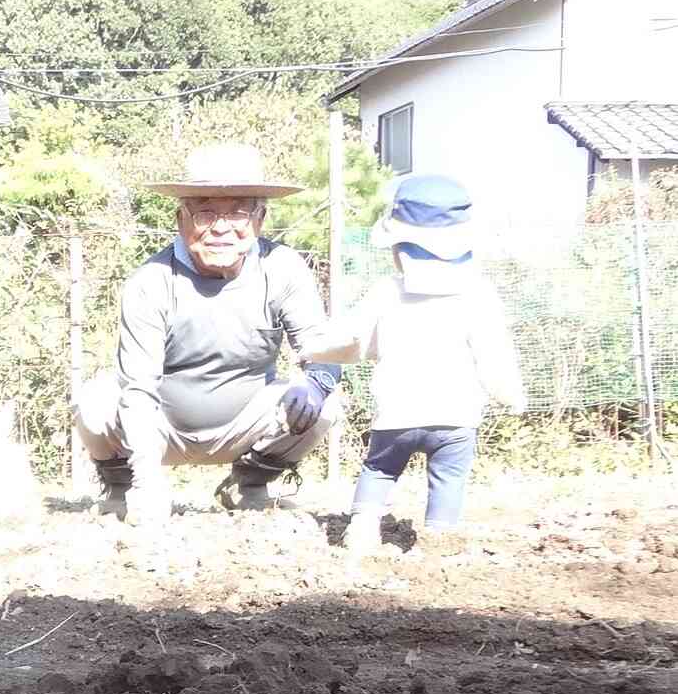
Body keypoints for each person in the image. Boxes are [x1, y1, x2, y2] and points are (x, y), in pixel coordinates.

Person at [74, 143, 343, 523]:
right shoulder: (150, 281)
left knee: (326, 404)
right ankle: (121, 488)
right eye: (205, 213)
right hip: (160, 426)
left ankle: (250, 484)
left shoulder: (284, 268)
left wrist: (315, 385)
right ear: (181, 220)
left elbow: (324, 349)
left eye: (238, 212)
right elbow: (138, 386)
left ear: (260, 219)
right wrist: (148, 483)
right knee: (95, 403)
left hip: (245, 422)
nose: (221, 227)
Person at [303, 174, 525, 555]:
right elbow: (494, 358)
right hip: (457, 418)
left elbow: (352, 340)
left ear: (398, 249)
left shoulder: (385, 292)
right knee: (449, 477)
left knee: (379, 469)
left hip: (396, 415)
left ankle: (362, 528)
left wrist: (312, 350)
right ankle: (440, 537)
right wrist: (511, 396)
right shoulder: (479, 295)